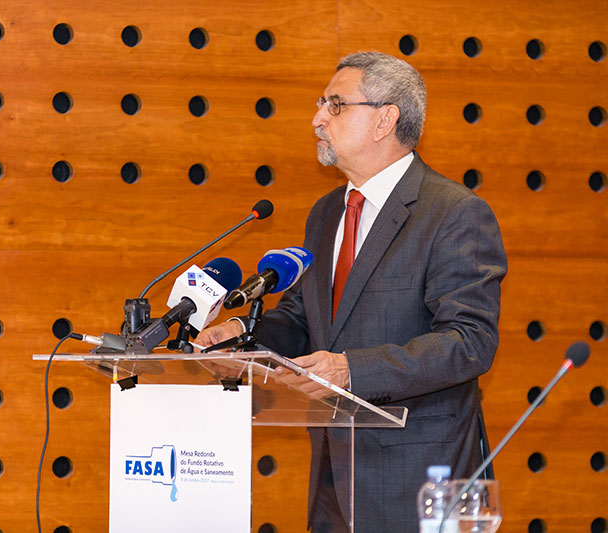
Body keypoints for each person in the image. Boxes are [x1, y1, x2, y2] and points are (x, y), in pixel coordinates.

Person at [195, 51, 507, 533]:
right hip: (333, 476)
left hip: (418, 477)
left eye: (336, 105)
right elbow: (304, 318)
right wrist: (240, 337)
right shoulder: (326, 212)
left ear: (385, 120)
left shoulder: (453, 213)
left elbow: (469, 342)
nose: (318, 118)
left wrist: (350, 369)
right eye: (321, 104)